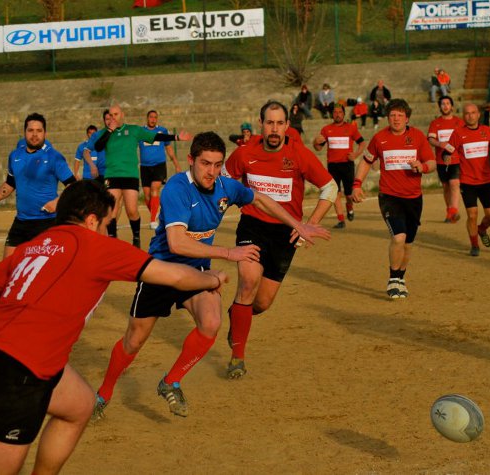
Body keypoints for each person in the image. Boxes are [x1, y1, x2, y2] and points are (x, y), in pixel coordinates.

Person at [0, 180, 227, 474]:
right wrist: (212, 279)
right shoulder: (95, 245)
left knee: (80, 406)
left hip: (6, 354)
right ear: (91, 221)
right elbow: (174, 276)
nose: (108, 231)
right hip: (19, 367)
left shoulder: (33, 246)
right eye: (108, 224)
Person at [93, 132, 329, 419]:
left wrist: (298, 224)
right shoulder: (176, 188)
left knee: (212, 321)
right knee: (134, 340)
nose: (212, 172)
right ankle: (103, 394)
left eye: (218, 165)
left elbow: (261, 199)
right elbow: (177, 243)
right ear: (191, 160)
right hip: (162, 269)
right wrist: (229, 253)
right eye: (205, 164)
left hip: (197, 271)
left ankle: (171, 381)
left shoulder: (225, 186)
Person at [223, 101, 338, 379]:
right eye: (269, 123)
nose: (274, 129)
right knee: (248, 282)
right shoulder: (244, 153)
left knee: (261, 303)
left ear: (287, 126)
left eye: (279, 123)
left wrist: (308, 226)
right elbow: (223, 184)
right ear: (261, 124)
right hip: (252, 226)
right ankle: (237, 358)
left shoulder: (299, 154)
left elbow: (330, 187)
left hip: (285, 233)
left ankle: (237, 316)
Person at [352, 99, 436, 299]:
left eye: (400, 115)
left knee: (408, 243)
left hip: (414, 198)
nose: (396, 119)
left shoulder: (417, 137)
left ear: (407, 118)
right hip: (389, 196)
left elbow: (431, 162)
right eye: (392, 115)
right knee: (398, 237)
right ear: (388, 118)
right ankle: (393, 278)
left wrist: (422, 167)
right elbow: (366, 162)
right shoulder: (379, 138)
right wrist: (356, 184)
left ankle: (401, 278)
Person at [93, 103, 191, 248]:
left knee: (132, 210)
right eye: (111, 115)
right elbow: (97, 146)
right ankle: (112, 239)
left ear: (122, 115)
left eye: (116, 114)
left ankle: (136, 237)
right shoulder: (105, 133)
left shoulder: (134, 130)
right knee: (111, 210)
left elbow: (155, 136)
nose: (113, 117)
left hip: (129, 175)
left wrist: (176, 137)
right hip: (112, 175)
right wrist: (109, 130)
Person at [0, 112, 76, 258]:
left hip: (47, 222)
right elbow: (10, 184)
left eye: (39, 130)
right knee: (8, 266)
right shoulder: (15, 156)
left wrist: (58, 202)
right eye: (31, 130)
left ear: (45, 133)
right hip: (21, 222)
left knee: (44, 271)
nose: (35, 134)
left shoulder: (54, 157)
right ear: (24, 132)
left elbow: (74, 187)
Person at [443, 103, 490, 257]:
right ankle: (474, 245)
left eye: (473, 113)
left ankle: (482, 229)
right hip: (467, 181)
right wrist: (446, 157)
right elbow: (447, 150)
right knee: (472, 214)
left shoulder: (488, 132)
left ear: (478, 115)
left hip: (486, 181)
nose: (470, 116)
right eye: (467, 113)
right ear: (464, 116)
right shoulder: (458, 133)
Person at [313, 103, 366, 228]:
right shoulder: (326, 130)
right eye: (335, 112)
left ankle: (349, 206)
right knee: (335, 192)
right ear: (332, 114)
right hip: (333, 166)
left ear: (343, 114)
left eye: (340, 112)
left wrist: (356, 154)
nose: (337, 114)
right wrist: (315, 141)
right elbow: (318, 148)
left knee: (349, 194)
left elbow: (362, 143)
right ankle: (341, 219)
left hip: (347, 165)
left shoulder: (351, 128)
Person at [139, 110, 182, 230]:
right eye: (151, 117)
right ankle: (157, 213)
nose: (153, 119)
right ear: (147, 118)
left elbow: (169, 148)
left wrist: (176, 164)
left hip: (159, 166)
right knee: (147, 196)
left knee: (154, 189)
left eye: (155, 117)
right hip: (144, 167)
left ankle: (153, 220)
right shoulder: (141, 132)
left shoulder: (162, 131)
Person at [428, 95, 465, 223]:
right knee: (446, 186)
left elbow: (465, 138)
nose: (445, 106)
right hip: (440, 160)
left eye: (448, 103)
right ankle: (449, 210)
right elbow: (431, 139)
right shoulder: (435, 123)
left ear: (452, 106)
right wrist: (440, 144)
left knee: (454, 183)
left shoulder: (459, 122)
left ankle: (454, 210)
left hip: (456, 159)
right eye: (443, 104)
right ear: (440, 107)